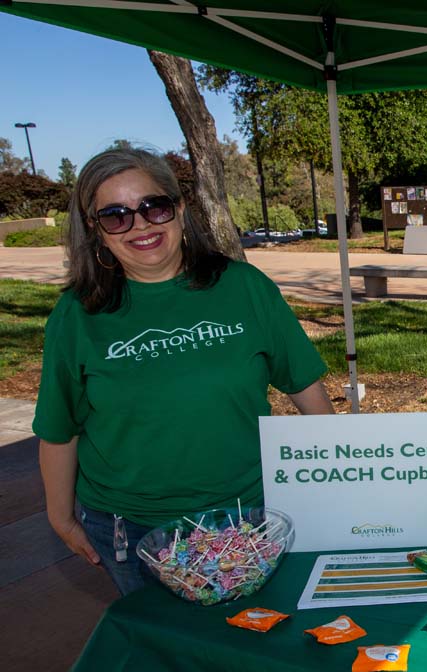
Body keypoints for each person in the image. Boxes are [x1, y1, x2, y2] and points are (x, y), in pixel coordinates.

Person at [35, 146, 334, 596]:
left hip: (251, 514)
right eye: (116, 216)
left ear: (179, 209)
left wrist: (341, 474)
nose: (140, 225)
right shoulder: (76, 316)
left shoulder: (243, 286)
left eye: (153, 207)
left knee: (258, 641)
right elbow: (59, 428)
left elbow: (304, 385)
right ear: (96, 232)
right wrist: (60, 519)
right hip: (134, 531)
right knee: (170, 655)